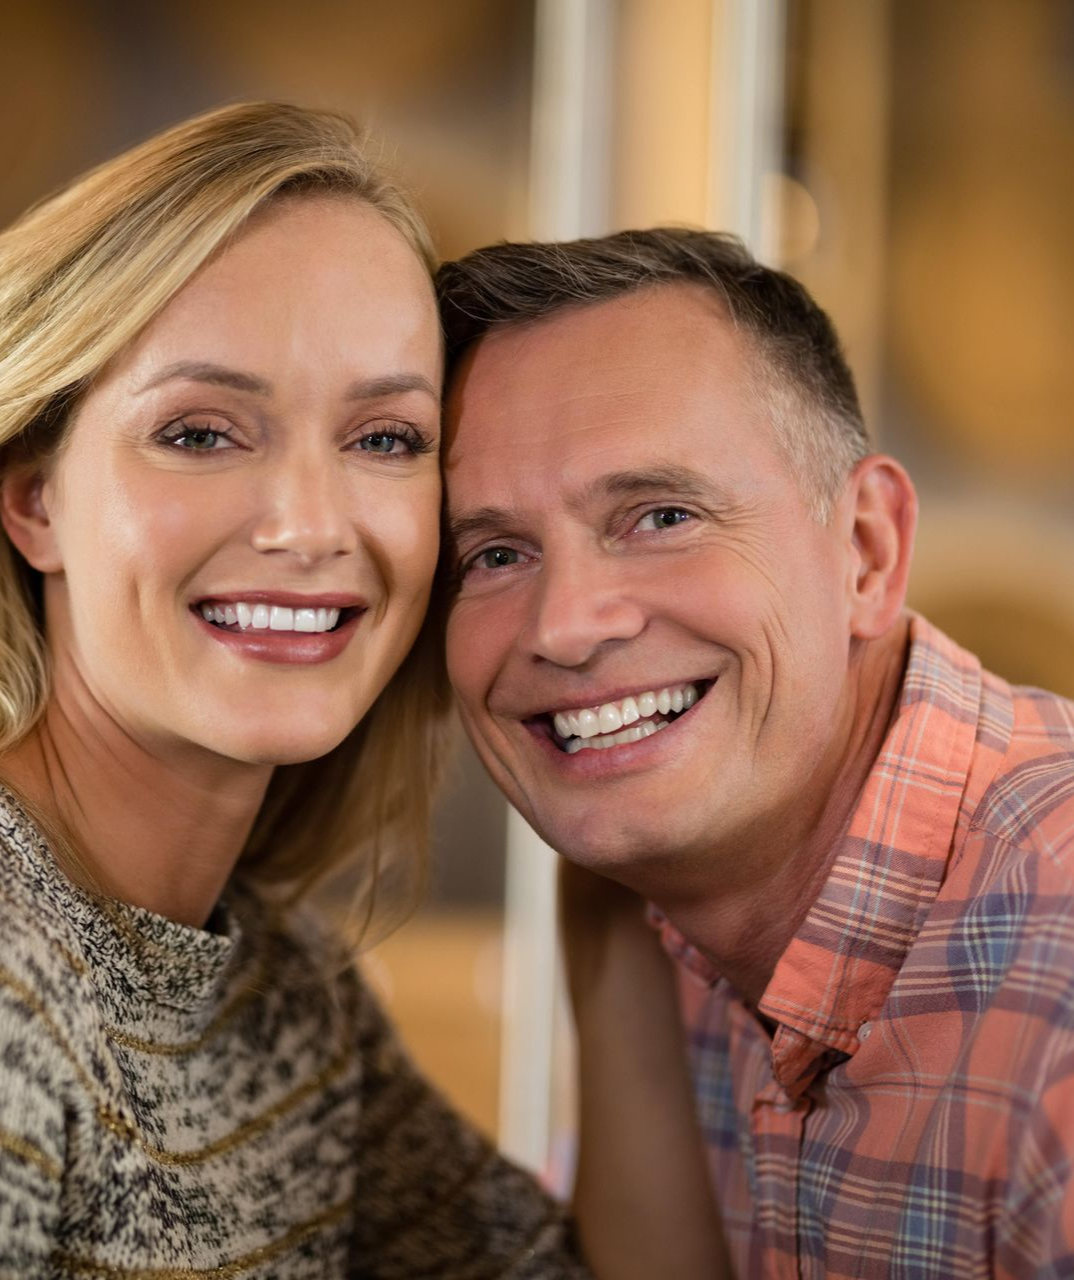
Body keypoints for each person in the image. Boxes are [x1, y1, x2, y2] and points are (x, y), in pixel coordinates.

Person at [0, 105, 725, 1277]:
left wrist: (611, 873)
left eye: (384, 438)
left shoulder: (276, 985)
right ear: (32, 502)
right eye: (199, 432)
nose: (307, 523)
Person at [436, 227, 1074, 1278]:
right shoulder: (665, 904)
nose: (562, 624)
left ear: (864, 549)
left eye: (659, 514)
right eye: (495, 553)